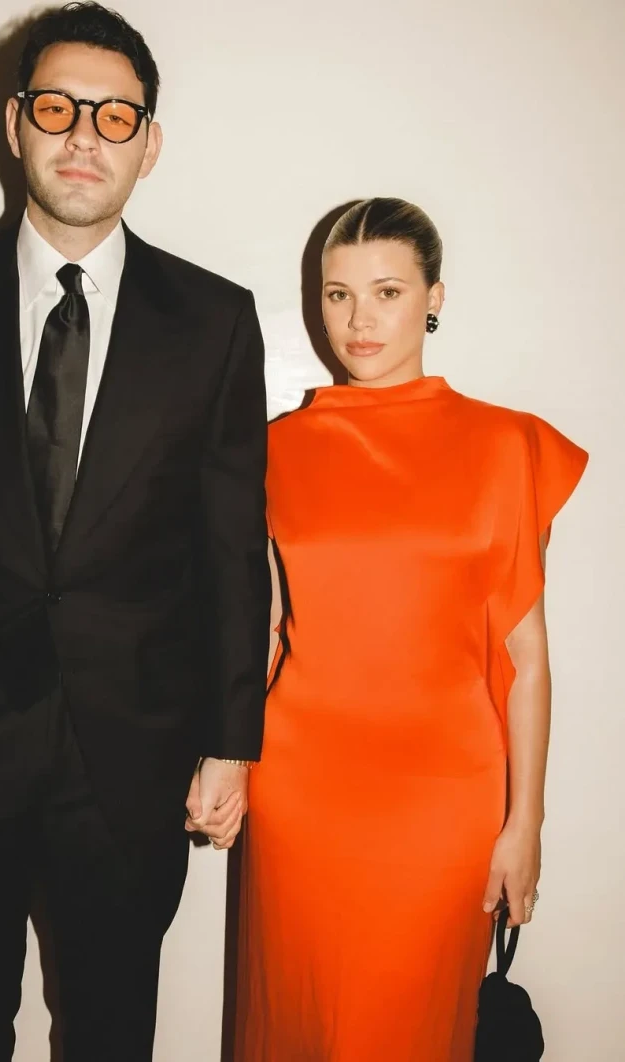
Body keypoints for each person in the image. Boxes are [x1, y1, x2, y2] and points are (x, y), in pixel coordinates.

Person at [0, 4, 270, 1059]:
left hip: (127, 765)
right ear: (14, 123)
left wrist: (230, 741)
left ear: (148, 145)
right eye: (59, 108)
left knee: (112, 1038)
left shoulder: (213, 321)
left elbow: (229, 547)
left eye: (115, 116)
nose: (84, 136)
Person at [236, 197, 588, 1061]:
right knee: (297, 1024)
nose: (359, 320)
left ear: (434, 297)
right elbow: (262, 633)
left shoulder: (506, 446)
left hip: (443, 803)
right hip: (301, 795)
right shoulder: (275, 450)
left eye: (387, 292)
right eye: (338, 295)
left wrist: (526, 823)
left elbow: (528, 656)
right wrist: (226, 759)